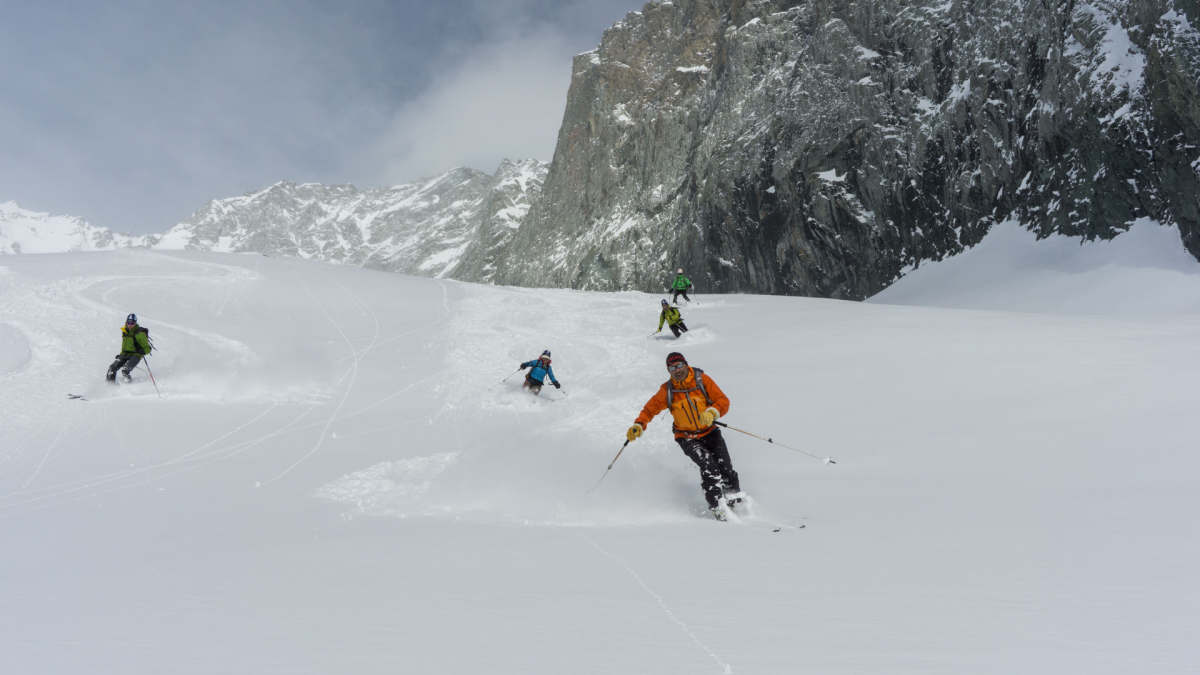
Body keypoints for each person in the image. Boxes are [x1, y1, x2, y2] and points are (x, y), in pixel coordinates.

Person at [625, 352, 742, 520]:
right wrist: (638, 424)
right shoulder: (667, 390)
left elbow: (723, 401)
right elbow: (649, 410)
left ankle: (733, 500)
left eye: (679, 365)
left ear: (686, 365)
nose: (677, 370)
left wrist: (712, 412)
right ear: (669, 371)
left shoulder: (702, 380)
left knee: (726, 467)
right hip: (686, 437)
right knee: (709, 467)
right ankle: (717, 507)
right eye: (672, 368)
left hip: (710, 432)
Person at [107, 313, 152, 383]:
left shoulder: (139, 334)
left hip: (136, 355)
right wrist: (121, 355)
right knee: (112, 368)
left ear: (135, 323)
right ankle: (109, 386)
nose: (130, 325)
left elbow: (148, 348)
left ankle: (128, 386)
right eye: (128, 322)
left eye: (132, 323)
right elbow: (124, 346)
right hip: (125, 354)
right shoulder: (125, 332)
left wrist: (143, 352)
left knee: (125, 370)